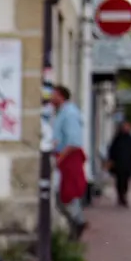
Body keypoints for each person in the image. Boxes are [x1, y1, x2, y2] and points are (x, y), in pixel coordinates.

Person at [51, 85, 87, 239]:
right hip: (63, 156)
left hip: (67, 157)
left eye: (54, 94)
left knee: (67, 192)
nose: (51, 97)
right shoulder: (60, 112)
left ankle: (77, 222)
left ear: (61, 96)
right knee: (64, 192)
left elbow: (73, 141)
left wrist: (59, 158)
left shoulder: (69, 113)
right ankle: (75, 222)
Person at [106, 120, 131, 206]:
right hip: (118, 163)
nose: (126, 129)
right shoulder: (117, 139)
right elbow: (112, 150)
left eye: (128, 127)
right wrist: (111, 160)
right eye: (125, 127)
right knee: (119, 180)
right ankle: (120, 196)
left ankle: (124, 195)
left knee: (126, 181)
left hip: (127, 163)